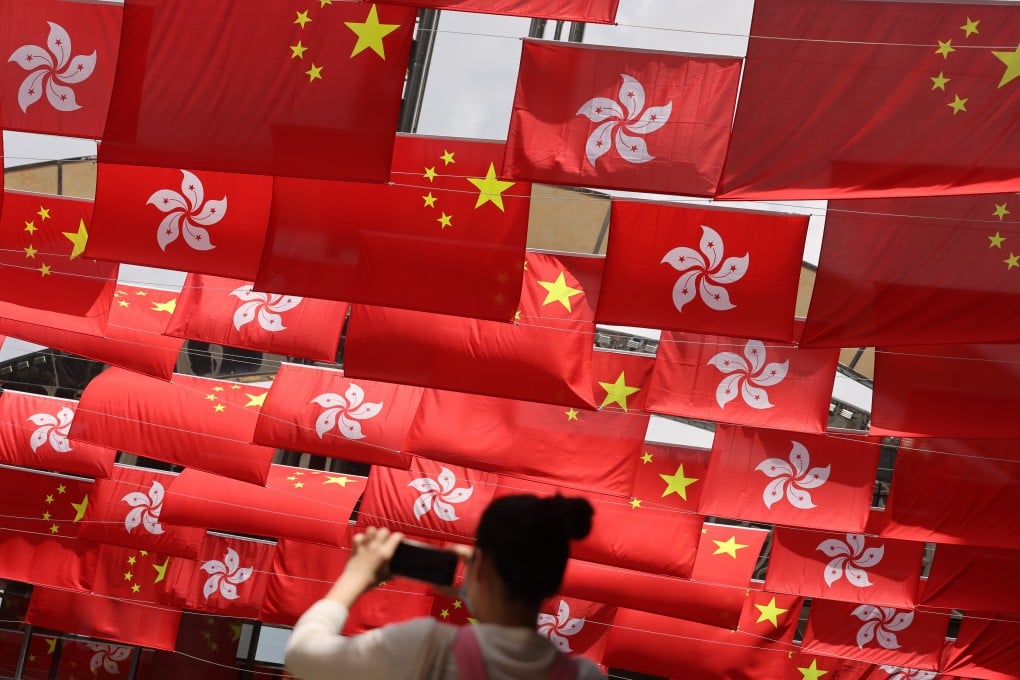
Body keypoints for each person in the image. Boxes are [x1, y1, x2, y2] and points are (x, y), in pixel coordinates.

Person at [284, 494, 607, 680]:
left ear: (481, 564)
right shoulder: (583, 676)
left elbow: (302, 656)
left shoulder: (428, 647)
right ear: (552, 585)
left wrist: (355, 576)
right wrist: (477, 584)